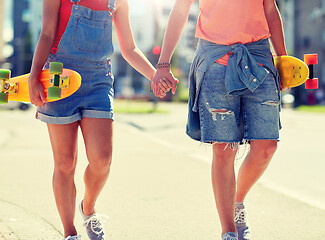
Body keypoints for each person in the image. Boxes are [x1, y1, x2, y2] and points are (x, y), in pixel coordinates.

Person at [28, 0, 175, 239]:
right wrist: (34, 75)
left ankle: (88, 207)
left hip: (98, 80)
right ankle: (70, 232)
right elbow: (46, 33)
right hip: (58, 76)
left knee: (102, 160)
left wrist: (155, 75)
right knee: (65, 162)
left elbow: (129, 48)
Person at [151, 0, 287, 239]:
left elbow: (269, 9)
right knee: (224, 149)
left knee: (267, 147)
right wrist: (163, 63)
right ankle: (229, 232)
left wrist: (283, 57)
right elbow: (180, 10)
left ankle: (236, 201)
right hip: (215, 59)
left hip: (259, 56)